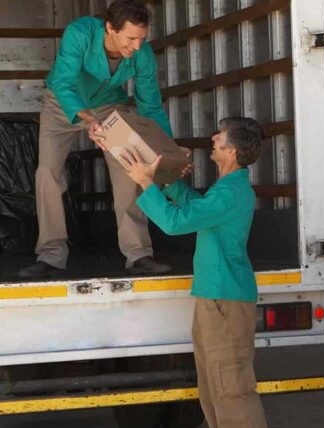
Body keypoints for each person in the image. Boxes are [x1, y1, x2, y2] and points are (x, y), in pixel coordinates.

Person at [118, 117, 267, 428]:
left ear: (233, 151)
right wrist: (166, 178)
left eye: (221, 136)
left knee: (232, 389)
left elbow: (176, 223)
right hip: (214, 298)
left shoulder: (230, 193)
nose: (213, 137)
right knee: (213, 388)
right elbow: (195, 207)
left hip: (225, 300)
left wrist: (146, 182)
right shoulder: (225, 189)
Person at [19, 0, 172, 278]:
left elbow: (150, 106)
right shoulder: (79, 33)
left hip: (109, 106)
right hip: (62, 104)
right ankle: (51, 255)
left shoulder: (142, 53)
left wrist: (167, 148)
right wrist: (89, 120)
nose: (137, 46)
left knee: (129, 171)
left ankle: (138, 253)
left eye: (142, 38)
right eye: (131, 38)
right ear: (110, 28)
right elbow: (63, 83)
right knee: (48, 174)